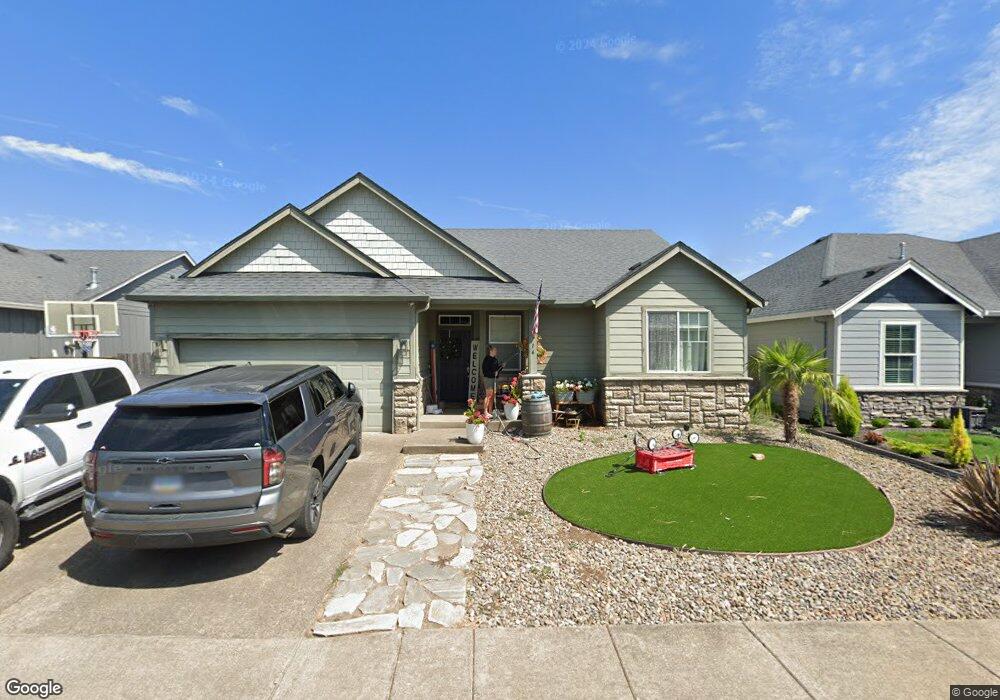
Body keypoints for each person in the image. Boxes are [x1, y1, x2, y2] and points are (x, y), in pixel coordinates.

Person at [481, 345, 504, 414]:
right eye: (495, 350)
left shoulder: (495, 360)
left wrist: (501, 366)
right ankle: (485, 412)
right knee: (488, 395)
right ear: (491, 351)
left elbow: (497, 370)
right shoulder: (486, 359)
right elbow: (485, 371)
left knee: (492, 396)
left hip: (494, 379)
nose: (496, 351)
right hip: (488, 379)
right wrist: (493, 373)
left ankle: (490, 411)